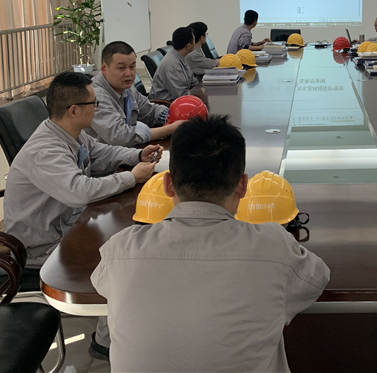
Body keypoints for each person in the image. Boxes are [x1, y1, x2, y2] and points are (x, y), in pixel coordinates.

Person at [91, 115, 330, 372]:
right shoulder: (275, 247)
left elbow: (102, 285)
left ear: (168, 185)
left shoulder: (120, 249)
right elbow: (317, 279)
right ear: (243, 186)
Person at [4, 72, 159, 360]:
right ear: (74, 110)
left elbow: (99, 152)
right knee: (122, 259)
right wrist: (130, 178)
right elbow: (79, 191)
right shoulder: (45, 150)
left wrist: (135, 157)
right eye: (94, 103)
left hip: (69, 224)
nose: (97, 108)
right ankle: (105, 342)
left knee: (130, 238)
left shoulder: (68, 132)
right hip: (40, 245)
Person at [87, 41, 183, 147]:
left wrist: (172, 115)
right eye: (121, 68)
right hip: (104, 156)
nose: (129, 74)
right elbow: (119, 136)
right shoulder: (94, 96)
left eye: (132, 67)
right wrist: (169, 129)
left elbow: (150, 111)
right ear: (104, 69)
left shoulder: (127, 89)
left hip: (128, 151)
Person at [150, 27, 199, 100]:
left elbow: (192, 81)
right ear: (188, 45)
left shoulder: (180, 57)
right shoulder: (172, 65)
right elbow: (180, 95)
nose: (195, 43)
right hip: (166, 103)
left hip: (179, 98)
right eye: (194, 40)